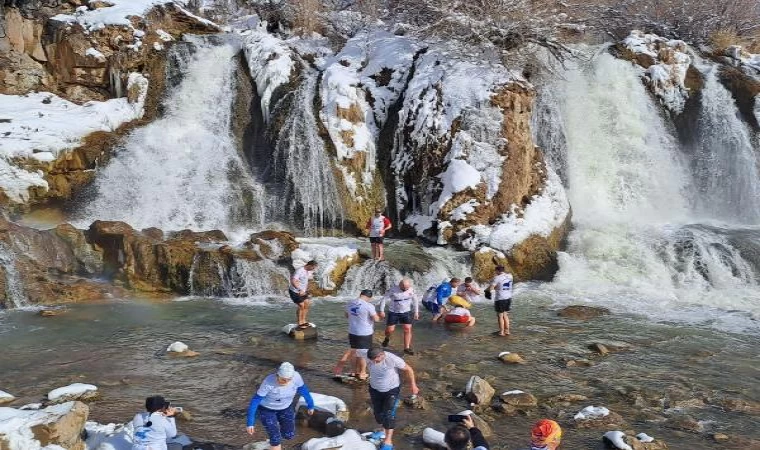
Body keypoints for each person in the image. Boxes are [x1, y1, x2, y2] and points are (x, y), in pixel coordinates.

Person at [246, 362, 315, 450]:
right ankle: (274, 442)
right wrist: (250, 422)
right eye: (283, 379)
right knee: (276, 438)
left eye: (289, 379)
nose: (285, 382)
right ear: (277, 375)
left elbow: (304, 391)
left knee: (289, 435)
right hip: (267, 410)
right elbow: (255, 400)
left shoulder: (296, 377)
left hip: (285, 408)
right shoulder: (268, 382)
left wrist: (310, 405)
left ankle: (270, 443)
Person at [364, 347, 419, 450]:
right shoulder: (368, 357)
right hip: (375, 389)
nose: (373, 362)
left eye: (376, 360)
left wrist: (413, 385)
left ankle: (388, 441)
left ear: (382, 355)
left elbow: (409, 369)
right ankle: (382, 432)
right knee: (378, 414)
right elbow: (356, 352)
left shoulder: (392, 359)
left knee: (389, 414)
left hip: (391, 389)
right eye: (371, 360)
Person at [334, 289, 380, 380]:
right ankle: (362, 373)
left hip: (352, 332)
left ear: (361, 294)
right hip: (364, 333)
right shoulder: (369, 305)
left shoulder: (350, 303)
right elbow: (376, 319)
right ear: (369, 298)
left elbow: (347, 315)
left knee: (354, 353)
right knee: (364, 353)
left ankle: (353, 371)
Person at [378, 278, 419, 355]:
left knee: (407, 329)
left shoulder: (411, 290)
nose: (406, 289)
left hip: (406, 312)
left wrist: (416, 312)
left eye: (407, 288)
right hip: (393, 312)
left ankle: (406, 348)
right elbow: (384, 299)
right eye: (404, 288)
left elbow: (415, 300)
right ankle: (387, 338)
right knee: (390, 330)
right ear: (400, 285)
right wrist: (381, 310)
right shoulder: (393, 290)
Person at [289, 260, 317, 329]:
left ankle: (303, 321)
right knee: (301, 305)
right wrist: (299, 290)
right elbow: (293, 280)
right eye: (313, 268)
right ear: (309, 265)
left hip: (303, 292)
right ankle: (299, 323)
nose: (313, 269)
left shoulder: (307, 271)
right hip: (295, 291)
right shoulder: (300, 271)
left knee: (307, 304)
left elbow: (304, 281)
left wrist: (306, 290)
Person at [487, 265, 513, 336]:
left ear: (497, 271)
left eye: (496, 271)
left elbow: (491, 288)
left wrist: (490, 292)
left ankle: (501, 332)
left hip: (500, 298)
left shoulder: (497, 278)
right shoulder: (510, 276)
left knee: (500, 316)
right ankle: (507, 331)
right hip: (508, 298)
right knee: (506, 315)